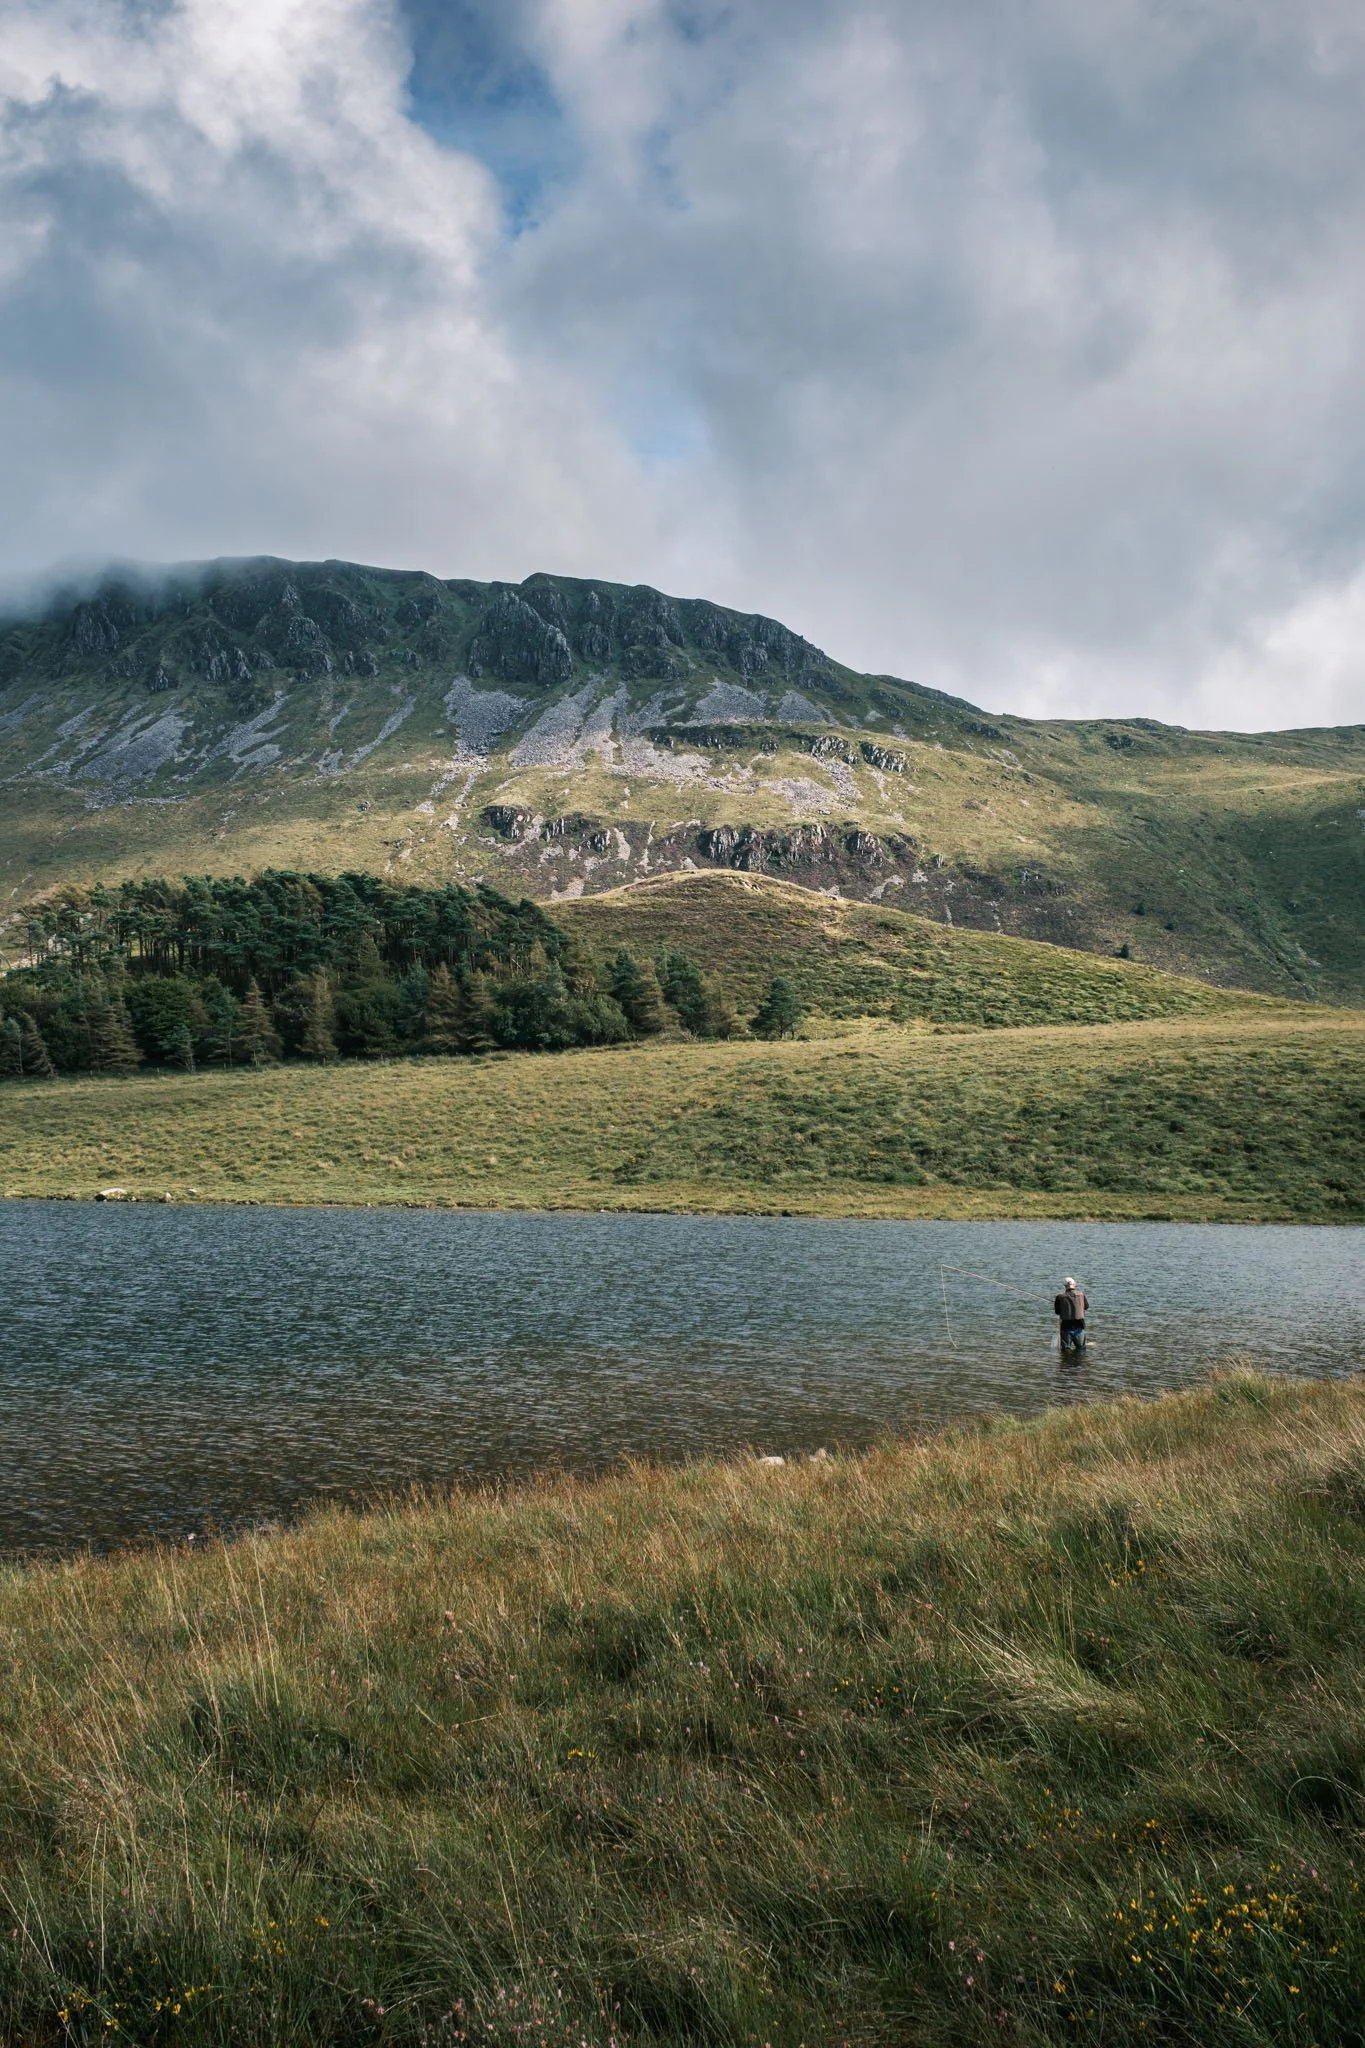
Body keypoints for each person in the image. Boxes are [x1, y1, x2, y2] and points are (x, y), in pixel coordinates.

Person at [1054, 1276, 1088, 1354]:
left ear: (1065, 1286)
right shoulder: (1081, 1295)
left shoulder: (1059, 1297)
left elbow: (1057, 1312)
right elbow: (1086, 1307)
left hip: (1065, 1327)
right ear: (1074, 1284)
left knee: (1066, 1351)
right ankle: (1079, 1365)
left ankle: (1066, 1365)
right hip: (1079, 1326)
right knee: (1081, 1350)